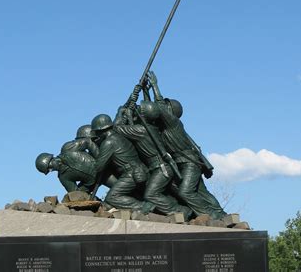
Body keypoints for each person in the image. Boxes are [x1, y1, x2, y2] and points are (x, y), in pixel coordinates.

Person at [147, 71, 226, 220]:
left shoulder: (174, 123)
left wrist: (155, 86)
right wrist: (146, 91)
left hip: (189, 163)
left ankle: (211, 215)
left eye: (166, 107)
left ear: (170, 111)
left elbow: (160, 108)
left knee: (185, 192)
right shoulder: (165, 126)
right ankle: (221, 214)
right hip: (185, 163)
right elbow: (153, 111)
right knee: (202, 192)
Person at [114, 104, 192, 218]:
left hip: (161, 168)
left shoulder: (141, 130)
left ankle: (180, 211)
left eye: (139, 110)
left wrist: (120, 113)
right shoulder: (152, 128)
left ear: (142, 115)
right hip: (160, 167)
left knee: (151, 194)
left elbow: (117, 128)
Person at [91, 113, 154, 213]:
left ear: (101, 131)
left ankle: (145, 207)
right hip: (140, 170)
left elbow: (99, 167)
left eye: (97, 133)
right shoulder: (120, 137)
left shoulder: (108, 142)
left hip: (131, 173)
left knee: (112, 197)